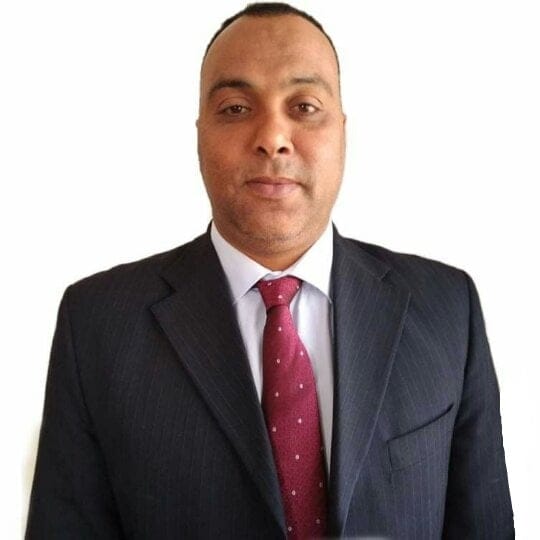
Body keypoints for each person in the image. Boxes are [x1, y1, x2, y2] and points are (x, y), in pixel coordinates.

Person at [26, 2, 514, 538]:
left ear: (343, 131)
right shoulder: (98, 324)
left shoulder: (447, 308)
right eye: (236, 108)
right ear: (199, 133)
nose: (273, 137)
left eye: (304, 106)